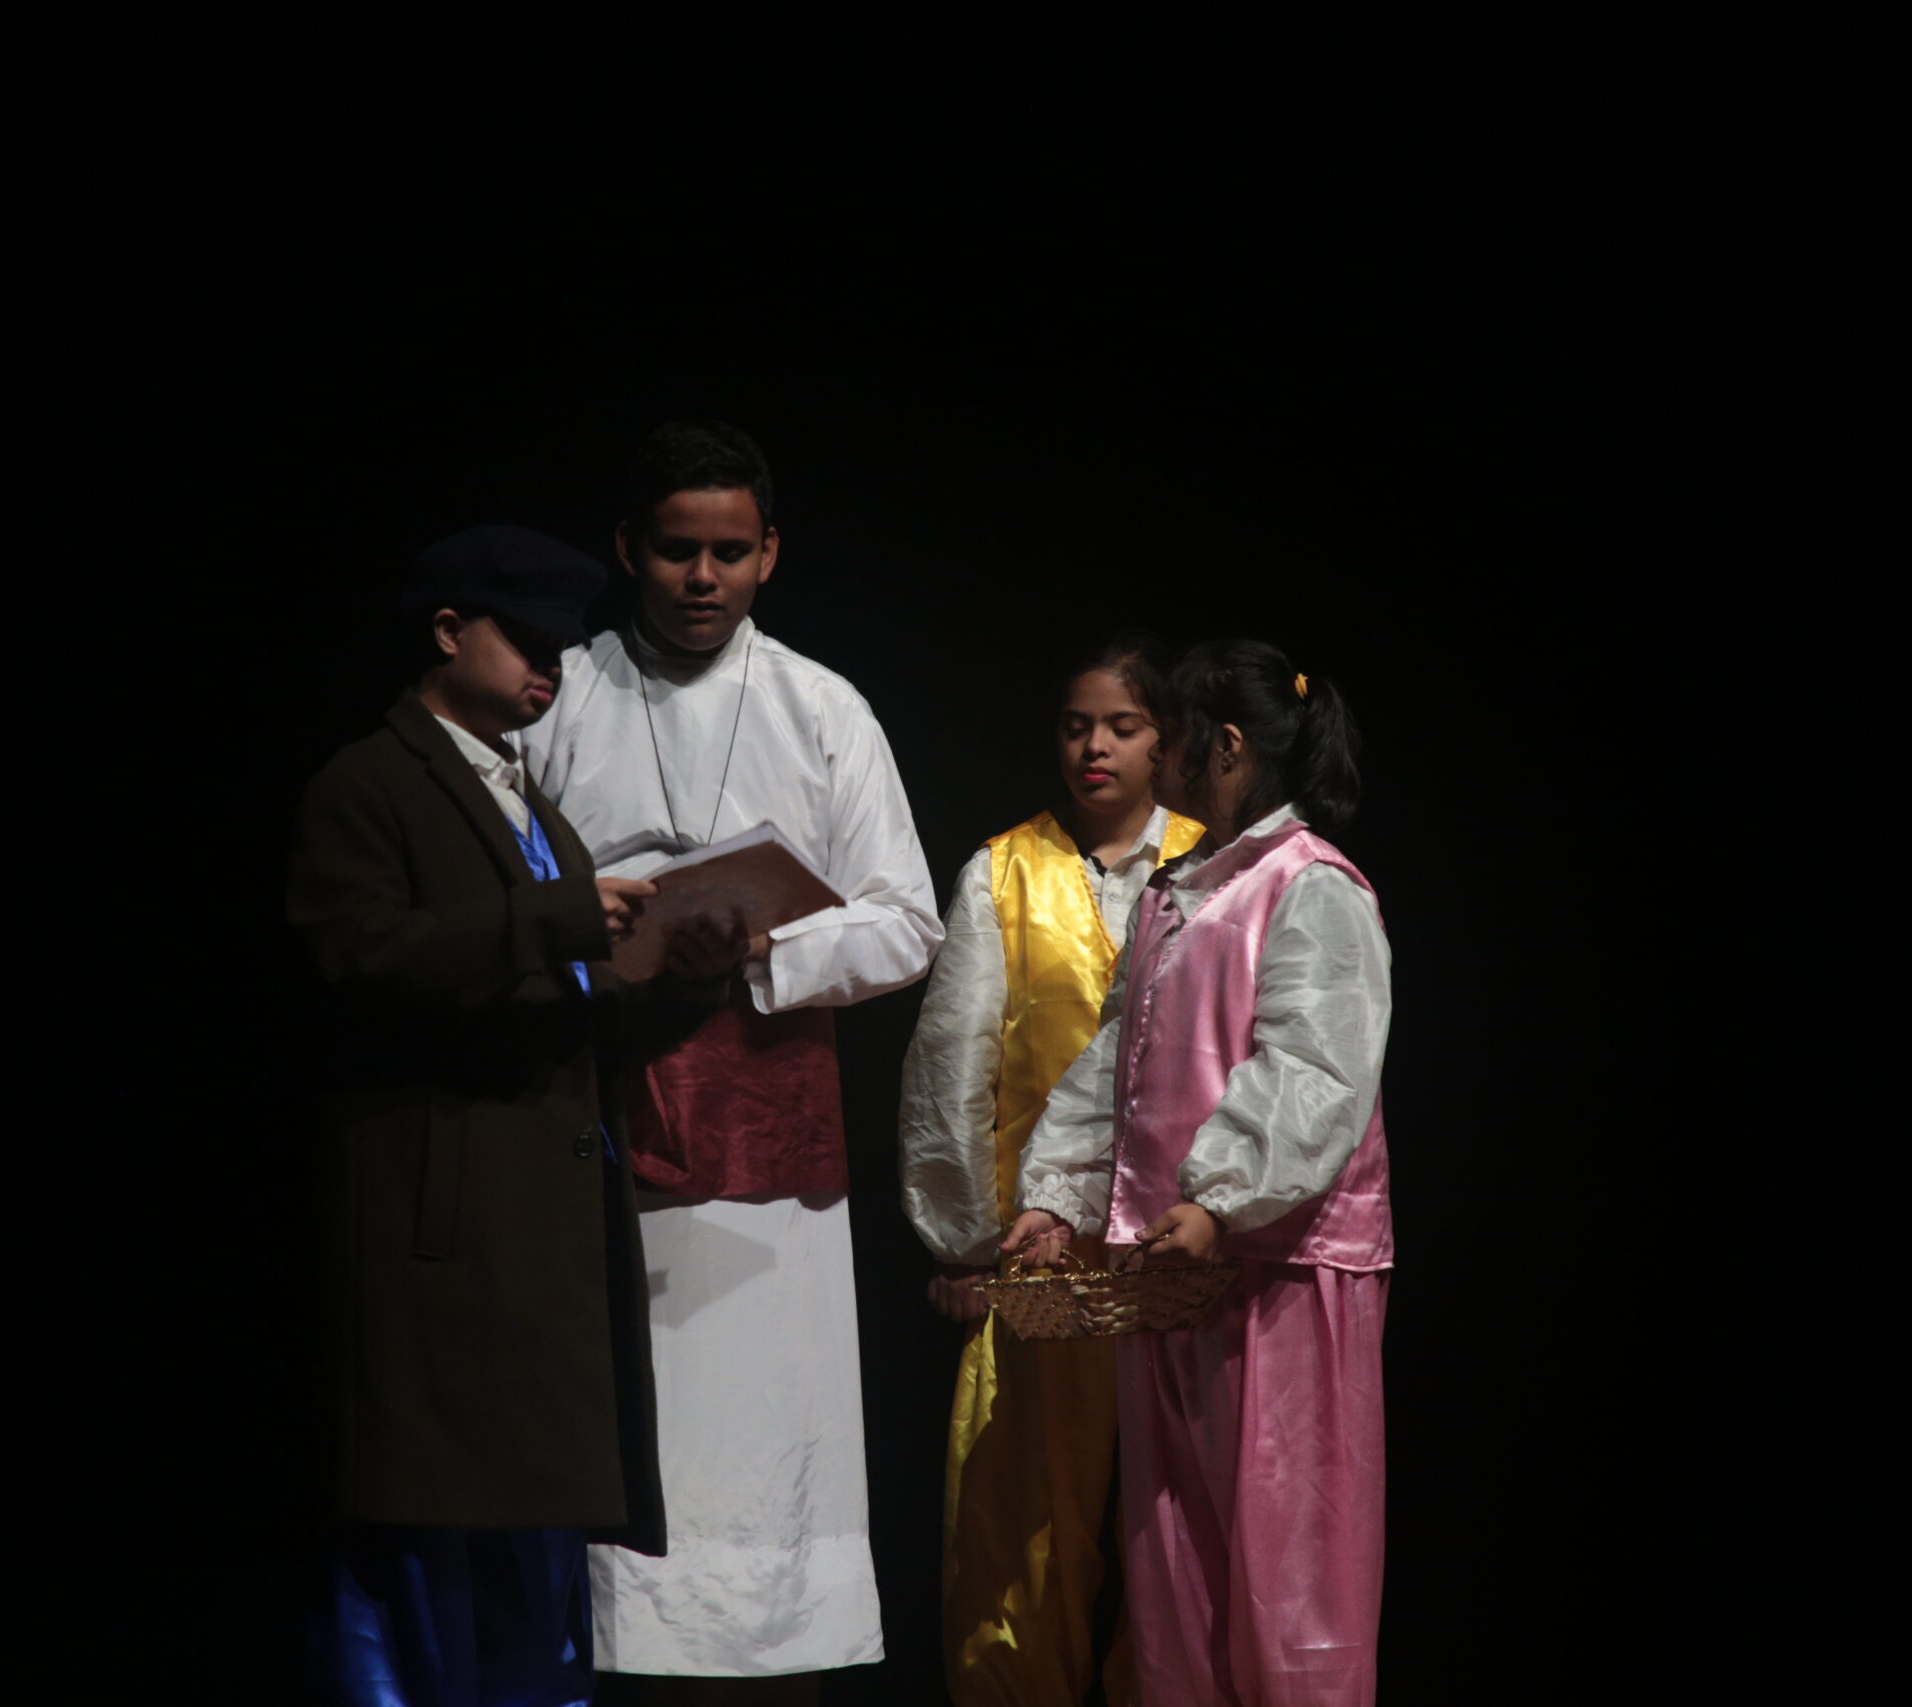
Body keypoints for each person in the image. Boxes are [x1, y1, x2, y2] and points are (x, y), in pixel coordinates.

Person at [516, 421, 943, 1700]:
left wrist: (762, 947)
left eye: (728, 552)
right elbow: (501, 900)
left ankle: (774, 1659)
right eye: (675, 550)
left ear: (770, 555)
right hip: (599, 1097)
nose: (702, 579)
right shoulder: (560, 694)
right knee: (630, 1417)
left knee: (763, 1422)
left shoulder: (822, 706)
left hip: (768, 1112)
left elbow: (907, 921)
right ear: (626, 550)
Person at [288, 524, 746, 1706]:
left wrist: (687, 978)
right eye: (526, 640)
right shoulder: (369, 782)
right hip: (447, 1234)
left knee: (531, 1555)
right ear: (448, 632)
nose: (548, 666)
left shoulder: (525, 797)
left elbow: (573, 1022)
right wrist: (556, 917)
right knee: (433, 1551)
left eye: (560, 648)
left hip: (545, 1237)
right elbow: (352, 955)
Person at [1006, 639, 1393, 1707]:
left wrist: (1219, 1199)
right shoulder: (1178, 892)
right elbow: (1118, 1062)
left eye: (1168, 739)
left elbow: (1314, 1069)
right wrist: (1057, 1195)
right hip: (1173, 1272)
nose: (1153, 761)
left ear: (1224, 748)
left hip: (1278, 1273)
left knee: (1285, 1578)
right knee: (1173, 1574)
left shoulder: (1310, 887)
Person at [899, 637, 1204, 1707]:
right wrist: (964, 1239)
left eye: (1122, 726)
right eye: (1077, 726)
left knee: (1175, 1515)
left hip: (1182, 1247)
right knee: (1030, 1510)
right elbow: (953, 1065)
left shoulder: (1214, 863)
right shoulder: (1004, 869)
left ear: (1165, 739)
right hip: (1045, 1249)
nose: (1094, 747)